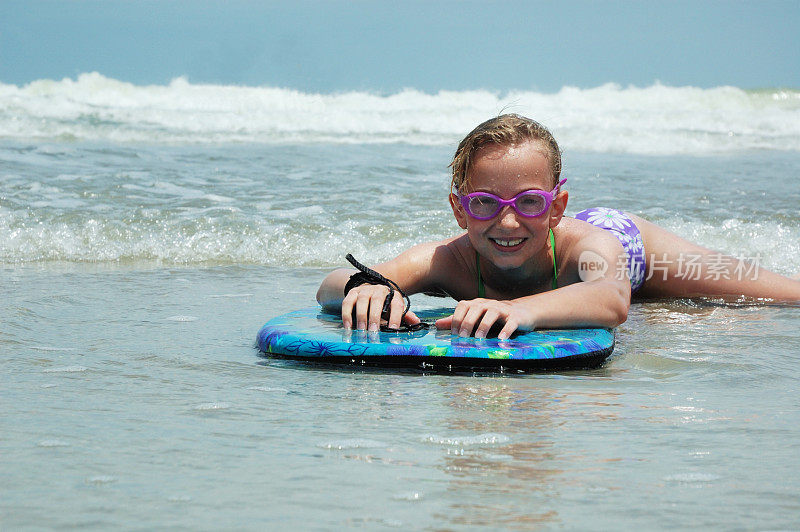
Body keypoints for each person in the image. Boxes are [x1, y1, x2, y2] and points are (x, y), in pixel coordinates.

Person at [317, 114, 800, 340]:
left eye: (529, 202)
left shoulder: (588, 246)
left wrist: (520, 310)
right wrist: (368, 287)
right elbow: (328, 286)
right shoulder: (448, 259)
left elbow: (611, 300)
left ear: (556, 206)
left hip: (632, 252)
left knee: (774, 296)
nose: (507, 221)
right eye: (484, 203)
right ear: (460, 209)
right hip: (575, 279)